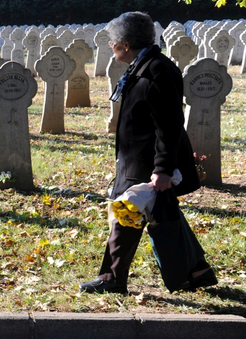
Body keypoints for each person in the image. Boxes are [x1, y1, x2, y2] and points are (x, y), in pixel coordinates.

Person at [79, 12, 217, 294]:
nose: (110, 46)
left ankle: (112, 279)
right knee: (161, 214)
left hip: (147, 162)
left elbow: (169, 124)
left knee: (126, 216)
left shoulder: (156, 70)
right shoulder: (144, 66)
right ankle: (197, 271)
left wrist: (162, 169)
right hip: (136, 159)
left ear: (125, 44)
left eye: (112, 42)